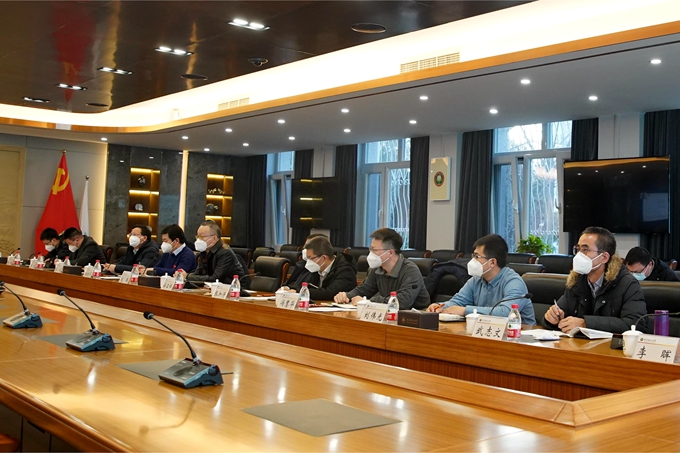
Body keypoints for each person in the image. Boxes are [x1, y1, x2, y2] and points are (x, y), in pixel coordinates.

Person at [543, 226, 648, 334]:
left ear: (604, 257)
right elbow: (560, 312)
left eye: (585, 250)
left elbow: (635, 324)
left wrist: (586, 324)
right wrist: (552, 318)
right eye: (578, 249)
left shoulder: (627, 283)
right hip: (579, 343)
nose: (579, 255)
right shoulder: (576, 280)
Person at [427, 234, 536, 325]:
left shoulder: (513, 282)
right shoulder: (476, 280)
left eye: (477, 257)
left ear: (492, 262)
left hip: (521, 336)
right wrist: (441, 306)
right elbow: (458, 301)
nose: (472, 261)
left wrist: (465, 310)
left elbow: (506, 312)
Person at [334, 228, 429, 309]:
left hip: (416, 316)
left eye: (375, 250)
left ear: (390, 253)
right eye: (370, 249)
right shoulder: (377, 268)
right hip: (388, 314)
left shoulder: (410, 270)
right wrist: (346, 296)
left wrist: (368, 302)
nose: (370, 253)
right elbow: (364, 289)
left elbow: (402, 302)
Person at [180, 220, 251, 288]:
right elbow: (198, 273)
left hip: (235, 290)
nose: (198, 240)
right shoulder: (204, 251)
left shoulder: (225, 253)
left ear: (214, 238)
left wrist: (187, 276)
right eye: (197, 237)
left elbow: (215, 279)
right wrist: (185, 276)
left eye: (201, 237)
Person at [285, 236, 357, 300]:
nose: (308, 262)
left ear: (324, 258)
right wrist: (290, 289)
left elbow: (330, 293)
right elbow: (308, 286)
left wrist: (299, 292)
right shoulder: (317, 268)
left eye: (311, 258)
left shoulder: (345, 270)